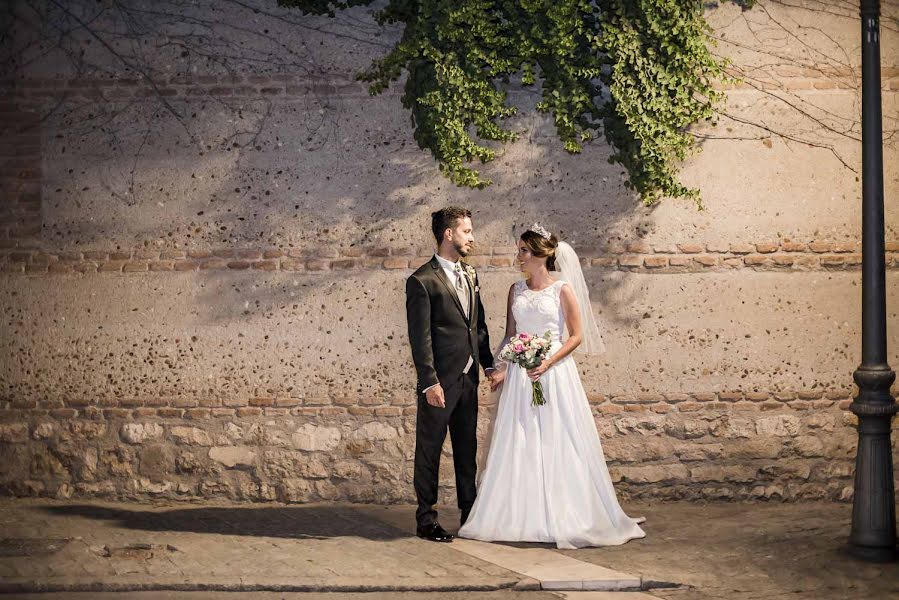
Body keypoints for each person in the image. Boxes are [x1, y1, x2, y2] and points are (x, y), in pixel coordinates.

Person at [457, 223, 645, 549]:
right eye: (519, 250)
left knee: (557, 438)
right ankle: (521, 515)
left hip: (554, 375)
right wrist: (502, 367)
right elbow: (511, 334)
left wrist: (547, 362)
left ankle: (564, 512)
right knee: (521, 438)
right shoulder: (515, 290)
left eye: (524, 251)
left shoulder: (562, 290)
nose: (519, 256)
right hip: (521, 377)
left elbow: (576, 336)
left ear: (541, 256)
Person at [405, 206, 499, 543]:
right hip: (439, 382)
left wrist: (488, 364)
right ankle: (426, 519)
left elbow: (479, 325)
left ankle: (469, 513)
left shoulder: (471, 275)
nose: (472, 237)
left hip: (469, 378)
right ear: (449, 234)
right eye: (467, 231)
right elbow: (421, 337)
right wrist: (429, 381)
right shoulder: (421, 281)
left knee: (466, 447)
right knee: (429, 449)